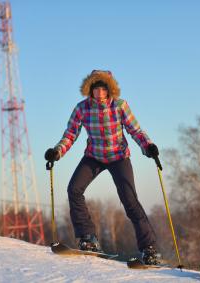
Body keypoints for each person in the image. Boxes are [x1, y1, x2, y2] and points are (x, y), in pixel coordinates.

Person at [45, 70, 160, 265]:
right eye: (95, 88)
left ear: (109, 89)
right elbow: (71, 134)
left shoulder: (120, 105)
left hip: (119, 157)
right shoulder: (82, 108)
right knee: (74, 189)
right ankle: (87, 238)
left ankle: (149, 249)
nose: (99, 92)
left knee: (129, 199)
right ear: (90, 89)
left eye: (103, 88)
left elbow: (135, 130)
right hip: (94, 156)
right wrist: (57, 152)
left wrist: (148, 147)